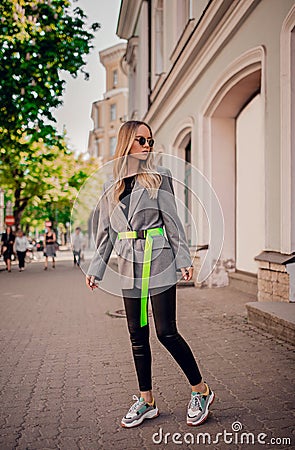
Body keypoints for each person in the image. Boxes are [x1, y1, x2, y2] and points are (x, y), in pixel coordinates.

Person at [85, 121, 214, 428]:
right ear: (127, 142)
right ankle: (147, 400)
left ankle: (201, 391)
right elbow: (106, 233)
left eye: (150, 140)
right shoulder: (110, 187)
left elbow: (172, 220)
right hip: (129, 267)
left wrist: (184, 258)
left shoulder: (159, 178)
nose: (148, 144)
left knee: (166, 331)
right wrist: (96, 269)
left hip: (160, 261)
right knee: (137, 336)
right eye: (141, 139)